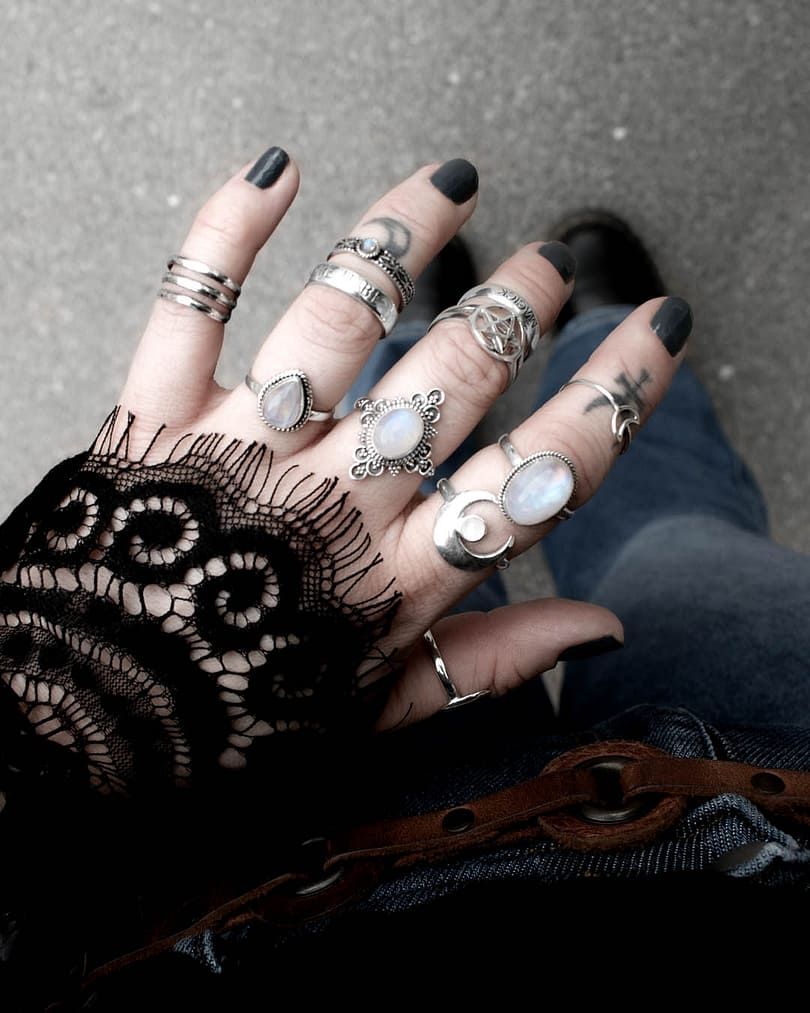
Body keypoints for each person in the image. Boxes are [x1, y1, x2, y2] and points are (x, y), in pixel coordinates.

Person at [2, 148, 809, 1010]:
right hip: (761, 841)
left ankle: (434, 349)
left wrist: (45, 724)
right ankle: (586, 344)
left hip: (293, 856)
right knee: (680, 553)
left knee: (427, 540)